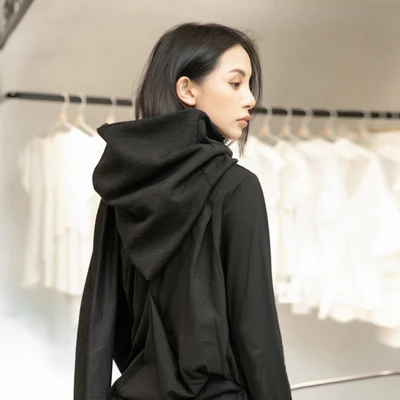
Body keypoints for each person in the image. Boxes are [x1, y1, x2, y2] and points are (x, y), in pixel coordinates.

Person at [74, 22, 292, 400]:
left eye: (250, 85)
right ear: (187, 89)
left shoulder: (123, 186)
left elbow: (100, 317)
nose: (250, 99)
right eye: (236, 83)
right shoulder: (237, 187)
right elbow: (255, 329)